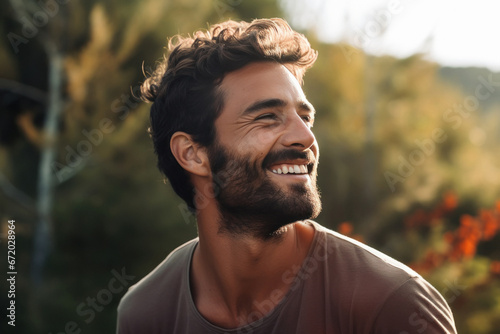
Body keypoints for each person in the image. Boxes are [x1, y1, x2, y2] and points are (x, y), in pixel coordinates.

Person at [116, 18, 457, 334]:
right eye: (267, 117)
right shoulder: (146, 314)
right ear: (193, 154)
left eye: (305, 117)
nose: (306, 138)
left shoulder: (390, 305)